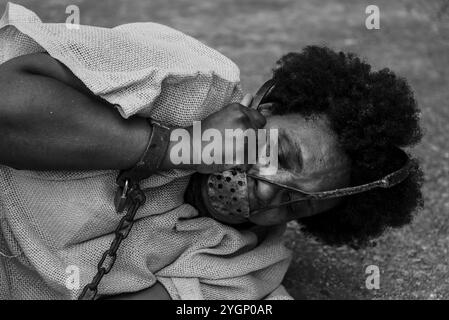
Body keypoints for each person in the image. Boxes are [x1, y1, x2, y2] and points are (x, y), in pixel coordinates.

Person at [0, 3, 422, 300]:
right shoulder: (189, 79)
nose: (270, 188)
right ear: (266, 109)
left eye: (296, 203)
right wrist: (171, 148)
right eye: (283, 154)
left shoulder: (241, 266)